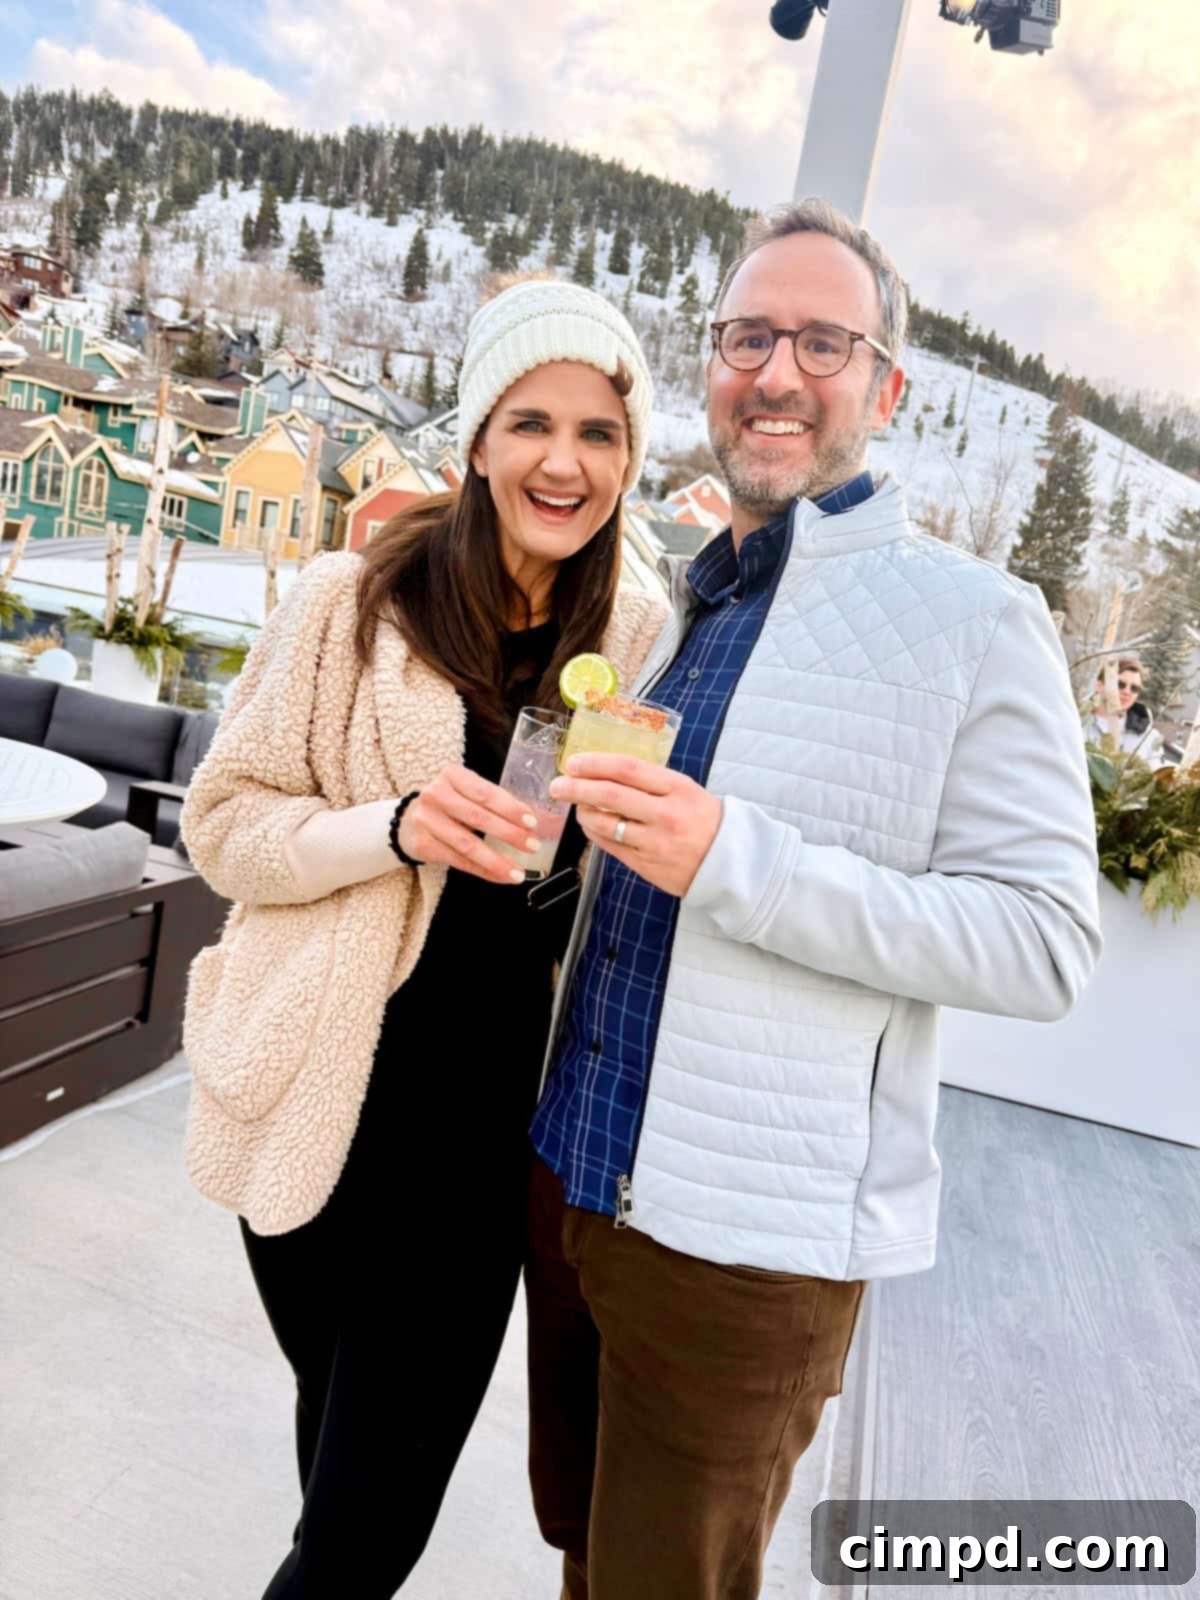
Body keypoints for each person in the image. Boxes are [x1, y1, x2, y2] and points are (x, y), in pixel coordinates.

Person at [524, 200, 1103, 1600]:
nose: (775, 372)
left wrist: (739, 860)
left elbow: (1044, 943)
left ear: (886, 386)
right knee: (587, 1556)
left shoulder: (977, 621)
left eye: (821, 341)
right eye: (745, 336)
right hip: (574, 1184)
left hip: (742, 1248)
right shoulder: (689, 609)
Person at [177, 278, 667, 1599]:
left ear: (629, 459)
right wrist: (392, 825)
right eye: (531, 423)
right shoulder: (351, 601)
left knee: (363, 1526)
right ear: (478, 438)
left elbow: (605, 874)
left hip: (480, 1134)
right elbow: (220, 828)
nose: (564, 462)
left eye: (600, 433)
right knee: (337, 1458)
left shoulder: (632, 634)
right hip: (315, 1103)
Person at [1084, 652, 1164, 765]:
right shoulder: (1075, 722)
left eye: (1134, 688)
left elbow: (1155, 779)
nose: (1127, 692)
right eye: (1120, 684)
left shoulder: (1148, 737)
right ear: (1099, 685)